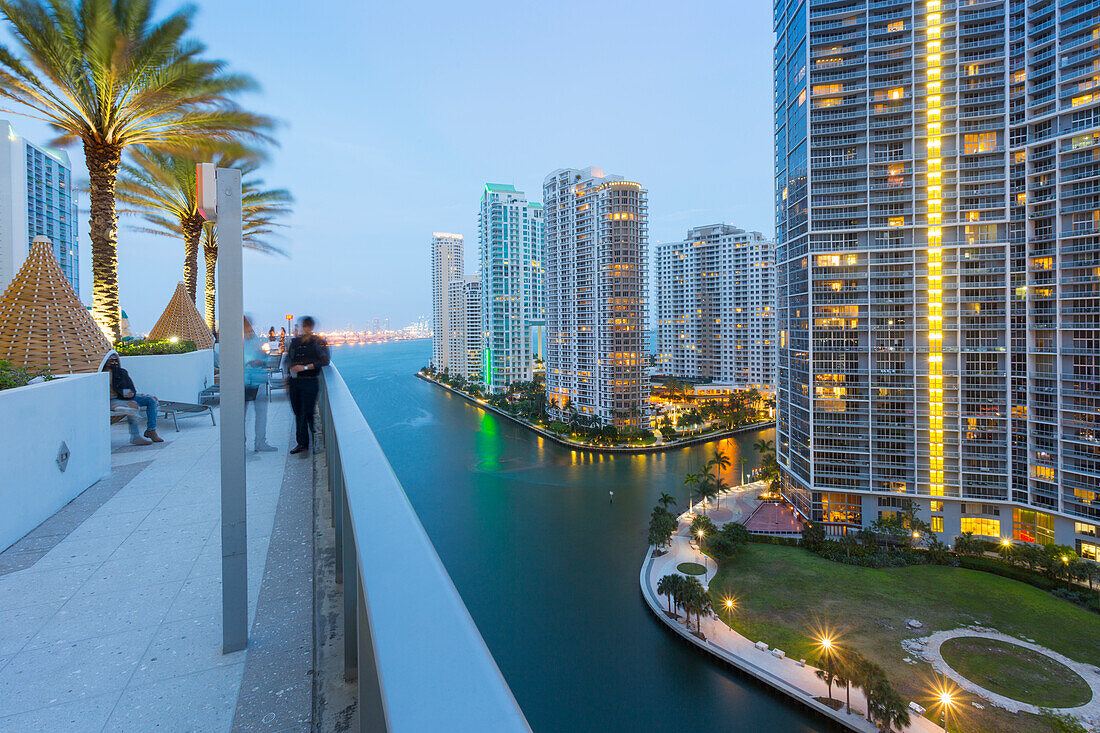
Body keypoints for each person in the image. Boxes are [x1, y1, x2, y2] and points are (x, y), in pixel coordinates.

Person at [287, 315, 329, 455]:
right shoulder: (295, 342)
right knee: (298, 412)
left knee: (309, 412)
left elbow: (325, 361)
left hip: (310, 380)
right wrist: (287, 379)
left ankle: (317, 443)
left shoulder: (318, 342)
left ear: (310, 327)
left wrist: (304, 368)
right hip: (295, 382)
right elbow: (288, 360)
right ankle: (302, 443)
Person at [103, 353, 163, 445]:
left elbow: (131, 388)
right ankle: (135, 436)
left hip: (122, 397)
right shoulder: (96, 375)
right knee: (132, 406)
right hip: (110, 400)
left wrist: (129, 393)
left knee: (152, 400)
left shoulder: (120, 372)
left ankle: (151, 430)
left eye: (110, 358)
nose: (109, 360)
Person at [245, 316, 278, 453]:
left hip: (259, 381)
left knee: (261, 414)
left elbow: (266, 357)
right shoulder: (236, 342)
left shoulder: (256, 340)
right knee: (241, 416)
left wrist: (262, 361)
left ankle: (260, 443)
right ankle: (241, 444)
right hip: (243, 383)